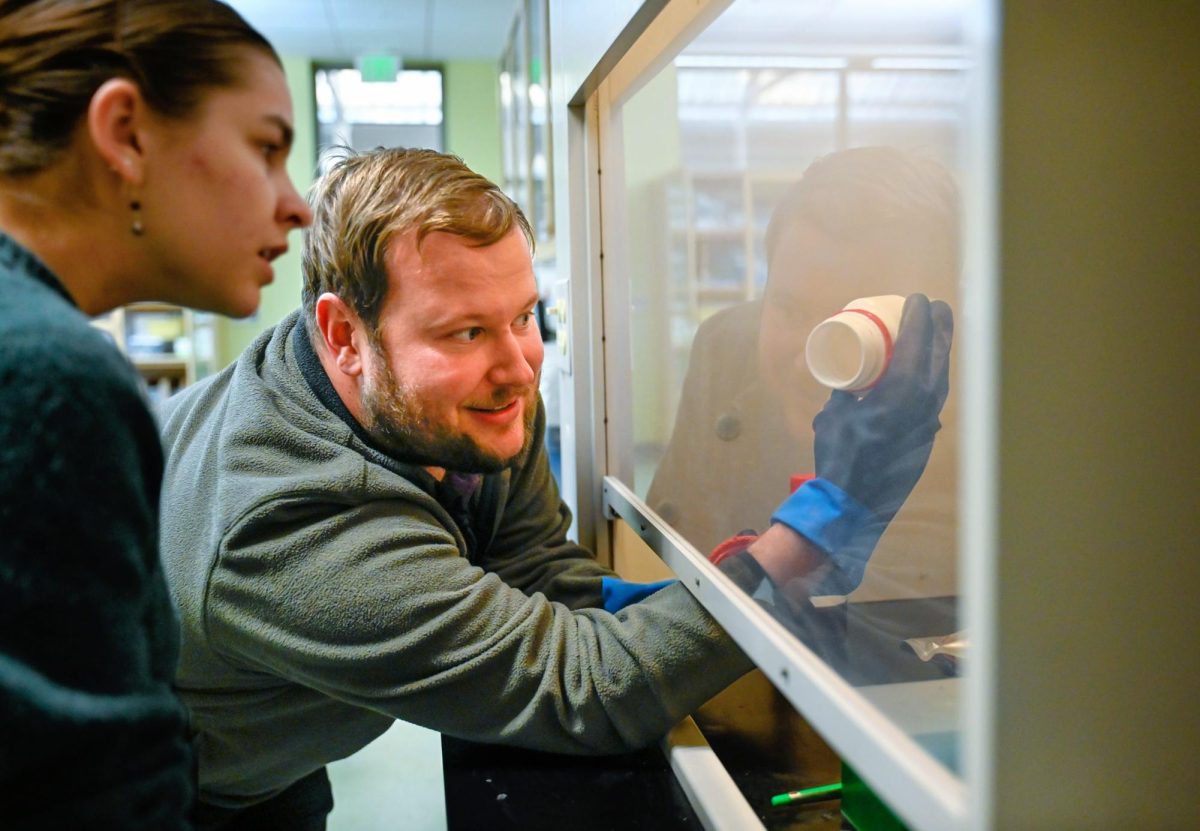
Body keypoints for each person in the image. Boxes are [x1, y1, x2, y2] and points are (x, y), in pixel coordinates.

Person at [156, 146, 951, 829]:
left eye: (525, 315)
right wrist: (822, 524)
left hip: (282, 746)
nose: (518, 368)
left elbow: (536, 569)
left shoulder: (446, 397)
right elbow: (584, 689)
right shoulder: (283, 528)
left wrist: (716, 600)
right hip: (158, 787)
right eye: (464, 331)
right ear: (344, 335)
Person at [0, 2, 311, 828]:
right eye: (267, 149)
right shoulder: (46, 373)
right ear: (126, 132)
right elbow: (86, 792)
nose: (297, 206)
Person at [647, 146, 961, 605]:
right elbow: (679, 543)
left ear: (937, 327)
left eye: (854, 329)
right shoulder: (727, 349)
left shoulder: (989, 416)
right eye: (789, 310)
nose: (811, 360)